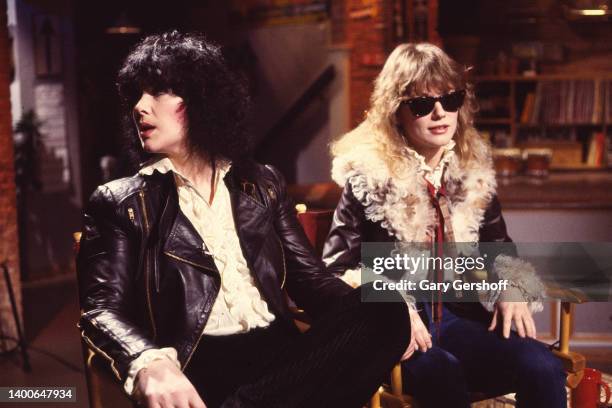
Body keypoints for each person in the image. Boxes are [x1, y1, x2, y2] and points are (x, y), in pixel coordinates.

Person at [76, 31, 411, 408]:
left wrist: (380, 318)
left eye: (158, 92)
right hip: (197, 364)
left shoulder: (262, 183)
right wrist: (149, 362)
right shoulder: (121, 203)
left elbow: (311, 281)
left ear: (203, 100)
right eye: (136, 95)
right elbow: (101, 310)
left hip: (279, 358)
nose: (140, 106)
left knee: (386, 306)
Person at [322, 43, 567, 408]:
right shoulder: (368, 177)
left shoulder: (471, 171)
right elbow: (338, 271)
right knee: (443, 372)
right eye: (422, 104)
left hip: (458, 316)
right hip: (399, 326)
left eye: (450, 99)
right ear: (396, 113)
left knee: (544, 366)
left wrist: (512, 285)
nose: (439, 113)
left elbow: (498, 247)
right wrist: (390, 310)